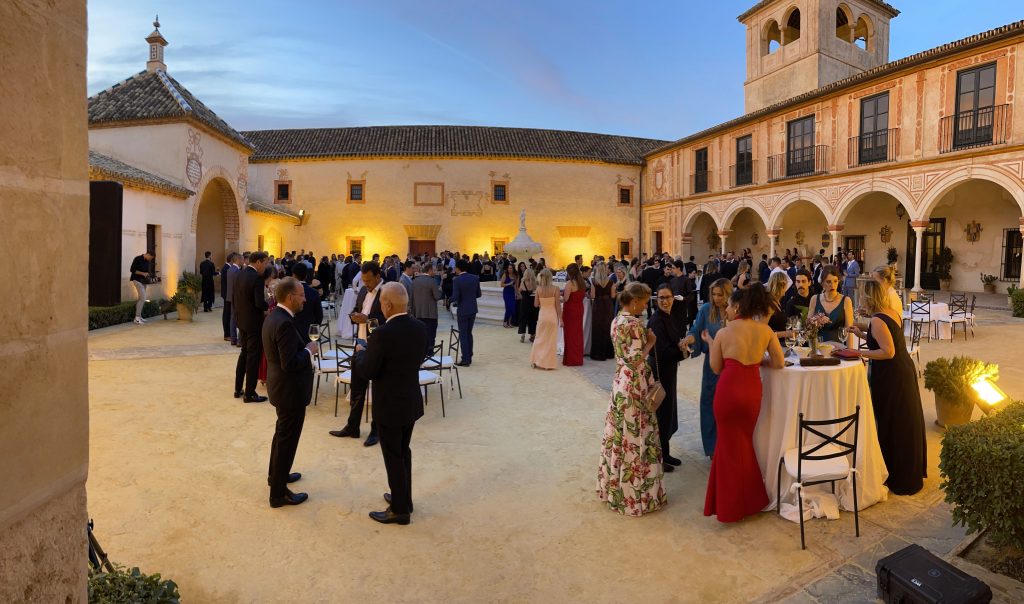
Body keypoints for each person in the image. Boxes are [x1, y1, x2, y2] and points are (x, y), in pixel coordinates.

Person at [704, 285, 785, 522]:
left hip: (728, 391)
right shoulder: (765, 330)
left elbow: (716, 367)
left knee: (728, 447)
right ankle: (749, 501)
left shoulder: (723, 333)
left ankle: (730, 507)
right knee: (743, 444)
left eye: (728, 304)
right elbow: (779, 363)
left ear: (737, 306)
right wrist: (757, 362)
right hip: (751, 391)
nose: (726, 309)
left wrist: (710, 344)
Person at [351, 283, 429, 525]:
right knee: (403, 451)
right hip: (410, 400)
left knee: (393, 455)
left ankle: (399, 510)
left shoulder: (383, 334)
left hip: (389, 404)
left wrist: (361, 352)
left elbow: (368, 371)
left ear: (386, 305)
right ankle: (404, 498)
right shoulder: (420, 328)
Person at [850, 281, 926, 496]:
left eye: (863, 297)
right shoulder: (890, 312)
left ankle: (899, 476)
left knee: (892, 422)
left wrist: (859, 353)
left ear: (869, 298)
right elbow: (880, 340)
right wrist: (860, 335)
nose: (860, 300)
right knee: (902, 421)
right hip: (903, 371)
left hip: (892, 376)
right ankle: (904, 472)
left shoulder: (876, 320)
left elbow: (887, 351)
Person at [596, 281, 666, 516]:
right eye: (645, 302)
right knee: (636, 435)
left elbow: (622, 357)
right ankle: (635, 497)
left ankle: (615, 490)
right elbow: (636, 360)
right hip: (635, 384)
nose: (646, 306)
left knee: (620, 434)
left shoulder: (617, 320)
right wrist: (650, 344)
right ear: (635, 301)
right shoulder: (635, 324)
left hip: (620, 382)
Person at [263, 277, 319, 508]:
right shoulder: (284, 322)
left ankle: (276, 475)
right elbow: (290, 363)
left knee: (282, 436)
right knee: (287, 439)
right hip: (289, 390)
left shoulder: (276, 316)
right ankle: (278, 494)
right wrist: (308, 350)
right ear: (289, 297)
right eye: (301, 295)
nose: (305, 298)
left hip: (282, 388)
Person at [329, 261, 386, 447]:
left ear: (378, 276)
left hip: (378, 347)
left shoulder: (387, 293)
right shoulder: (362, 291)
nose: (366, 284)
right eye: (364, 280)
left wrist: (367, 319)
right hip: (360, 344)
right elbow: (358, 309)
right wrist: (354, 316)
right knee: (357, 387)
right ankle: (352, 426)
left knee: (377, 390)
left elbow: (388, 321)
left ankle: (376, 431)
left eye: (369, 280)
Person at [682, 278, 733, 457]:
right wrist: (690, 338)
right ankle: (712, 448)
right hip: (711, 364)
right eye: (714, 294)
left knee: (728, 406)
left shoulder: (734, 311)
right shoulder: (705, 310)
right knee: (709, 403)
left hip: (731, 365)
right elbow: (696, 330)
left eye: (720, 294)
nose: (717, 298)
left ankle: (728, 445)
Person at [648, 284, 687, 472]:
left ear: (673, 298)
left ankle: (666, 452)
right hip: (660, 371)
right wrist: (683, 354)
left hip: (669, 371)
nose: (665, 301)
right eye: (661, 298)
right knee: (662, 414)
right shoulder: (657, 321)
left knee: (668, 411)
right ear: (657, 300)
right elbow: (661, 353)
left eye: (668, 297)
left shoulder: (669, 317)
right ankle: (659, 457)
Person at [234, 252, 270, 403]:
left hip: (241, 321)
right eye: (266, 263)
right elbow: (259, 303)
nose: (266, 266)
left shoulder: (240, 273)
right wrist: (268, 305)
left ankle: (238, 389)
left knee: (244, 354)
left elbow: (236, 297)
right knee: (253, 357)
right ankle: (249, 393)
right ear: (259, 262)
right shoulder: (257, 278)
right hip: (254, 323)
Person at [809, 265, 854, 343]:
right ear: (822, 283)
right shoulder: (815, 299)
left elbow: (849, 331)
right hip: (818, 346)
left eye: (835, 281)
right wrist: (817, 321)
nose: (832, 285)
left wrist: (850, 352)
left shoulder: (846, 300)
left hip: (839, 348)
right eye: (828, 282)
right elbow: (808, 326)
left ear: (838, 281)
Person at [451, 259, 481, 367]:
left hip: (463, 310)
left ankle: (465, 359)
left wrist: (448, 300)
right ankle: (469, 355)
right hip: (472, 309)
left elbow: (455, 297)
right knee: (469, 333)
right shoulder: (475, 278)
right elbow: (478, 294)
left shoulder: (457, 280)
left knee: (463, 334)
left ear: (458, 268)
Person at [530, 269, 561, 369]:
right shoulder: (556, 289)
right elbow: (558, 305)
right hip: (552, 316)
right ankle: (548, 364)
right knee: (551, 340)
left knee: (539, 338)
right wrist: (561, 319)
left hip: (543, 315)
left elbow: (535, 305)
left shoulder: (538, 289)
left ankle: (535, 361)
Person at [411, 262, 442, 357]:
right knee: (431, 335)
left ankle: (420, 353)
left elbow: (412, 297)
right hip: (430, 314)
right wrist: (440, 289)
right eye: (434, 270)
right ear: (429, 270)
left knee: (420, 335)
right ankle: (429, 354)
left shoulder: (415, 281)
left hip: (417, 312)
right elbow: (437, 296)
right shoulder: (432, 281)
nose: (435, 271)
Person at [289, 263, 323, 342]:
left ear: (293, 275)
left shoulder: (289, 291)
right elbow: (319, 315)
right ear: (306, 276)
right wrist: (314, 330)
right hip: (309, 332)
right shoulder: (314, 292)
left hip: (292, 332)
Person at [589, 263, 615, 361]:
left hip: (598, 305)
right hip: (608, 305)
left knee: (597, 328)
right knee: (607, 327)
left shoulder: (594, 281)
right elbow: (613, 296)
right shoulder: (611, 281)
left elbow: (592, 296)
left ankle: (597, 353)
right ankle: (608, 352)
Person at [561, 263, 586, 366]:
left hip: (570, 310)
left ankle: (571, 359)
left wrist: (559, 296)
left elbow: (566, 299)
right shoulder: (582, 282)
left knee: (570, 334)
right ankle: (578, 358)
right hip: (579, 308)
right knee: (578, 333)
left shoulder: (570, 283)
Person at [128, 250, 154, 325]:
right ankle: (137, 318)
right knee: (143, 298)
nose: (150, 259)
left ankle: (139, 316)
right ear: (148, 254)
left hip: (143, 281)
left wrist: (147, 274)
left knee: (141, 298)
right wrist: (143, 273)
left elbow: (145, 272)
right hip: (136, 280)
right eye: (151, 258)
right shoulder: (137, 259)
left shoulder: (146, 261)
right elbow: (132, 270)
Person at [765, 271, 791, 343]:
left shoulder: (777, 301)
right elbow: (763, 331)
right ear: (781, 286)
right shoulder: (769, 304)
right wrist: (786, 334)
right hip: (771, 345)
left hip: (780, 344)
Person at [517, 267, 538, 343]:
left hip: (525, 302)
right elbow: (537, 291)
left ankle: (523, 335)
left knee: (523, 318)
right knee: (533, 318)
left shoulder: (523, 282)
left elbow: (519, 291)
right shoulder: (535, 282)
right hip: (533, 301)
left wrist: (521, 295)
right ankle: (532, 335)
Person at [220, 253, 235, 341]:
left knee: (228, 313)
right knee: (227, 314)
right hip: (227, 294)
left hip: (227, 294)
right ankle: (227, 333)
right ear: (232, 260)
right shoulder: (227, 268)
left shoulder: (226, 267)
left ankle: (228, 333)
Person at [501, 264, 518, 328]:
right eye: (509, 268)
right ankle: (505, 321)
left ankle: (509, 322)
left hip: (512, 293)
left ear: (513, 269)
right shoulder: (505, 275)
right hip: (506, 293)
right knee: (508, 308)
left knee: (513, 309)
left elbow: (516, 286)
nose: (509, 269)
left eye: (511, 268)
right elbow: (501, 285)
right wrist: (509, 284)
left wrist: (517, 294)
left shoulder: (515, 275)